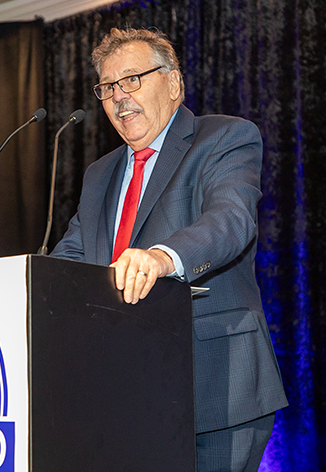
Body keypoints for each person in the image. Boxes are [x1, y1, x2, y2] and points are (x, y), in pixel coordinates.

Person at [50, 27, 288, 472]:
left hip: (215, 387)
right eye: (107, 87)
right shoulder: (100, 174)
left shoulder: (225, 137)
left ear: (174, 83)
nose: (119, 97)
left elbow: (230, 220)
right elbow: (70, 260)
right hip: (123, 393)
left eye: (131, 79)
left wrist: (161, 258)